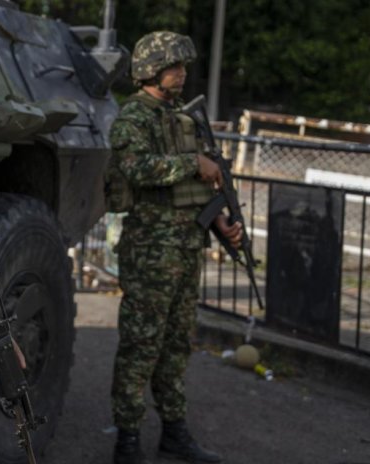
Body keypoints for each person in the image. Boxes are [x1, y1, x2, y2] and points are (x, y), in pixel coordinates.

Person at [107, 31, 243, 464]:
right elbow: (135, 167)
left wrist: (221, 222)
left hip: (186, 245)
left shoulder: (180, 118)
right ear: (150, 70)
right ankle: (127, 438)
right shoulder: (134, 117)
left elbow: (196, 187)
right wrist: (194, 164)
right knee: (141, 344)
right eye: (173, 66)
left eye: (183, 66)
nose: (181, 73)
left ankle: (174, 430)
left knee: (176, 344)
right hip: (150, 249)